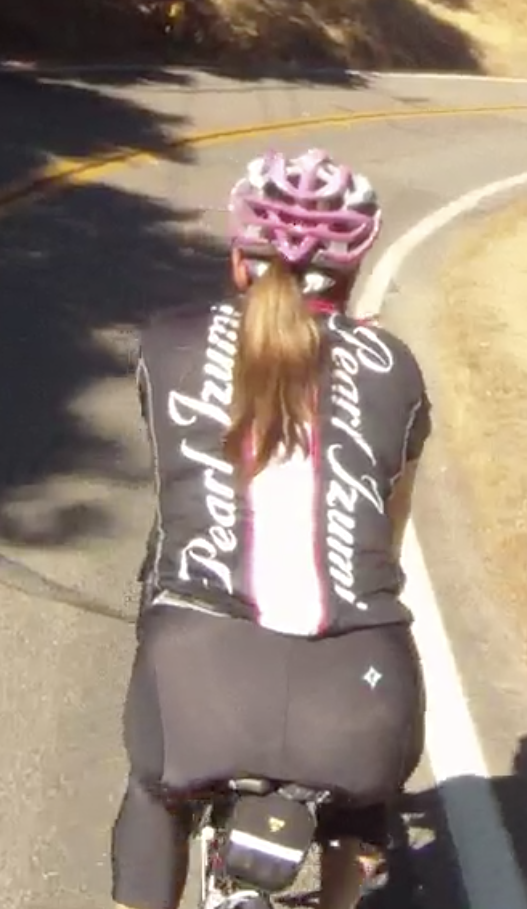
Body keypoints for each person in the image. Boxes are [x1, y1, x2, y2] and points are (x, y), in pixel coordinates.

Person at [110, 149, 433, 909]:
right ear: (354, 270)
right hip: (361, 699)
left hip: (198, 681)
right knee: (359, 798)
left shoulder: (169, 342)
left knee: (156, 791)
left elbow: (177, 488)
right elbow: (387, 538)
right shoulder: (395, 367)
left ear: (238, 256)